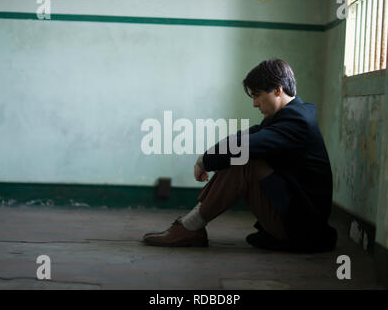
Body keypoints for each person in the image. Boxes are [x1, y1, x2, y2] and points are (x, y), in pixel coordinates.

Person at [142, 58, 337, 253]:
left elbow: (243, 146)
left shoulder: (297, 121)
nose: (254, 104)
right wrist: (205, 158)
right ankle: (191, 226)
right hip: (296, 219)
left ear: (278, 90)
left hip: (303, 230)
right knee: (240, 155)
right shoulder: (289, 116)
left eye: (257, 95)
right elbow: (244, 136)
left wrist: (205, 161)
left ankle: (190, 227)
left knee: (245, 161)